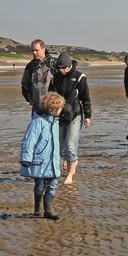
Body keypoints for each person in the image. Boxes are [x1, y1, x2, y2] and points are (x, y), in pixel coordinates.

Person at [20, 91, 64, 220]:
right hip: (39, 159)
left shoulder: (55, 122)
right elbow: (29, 140)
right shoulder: (37, 121)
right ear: (52, 109)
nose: (62, 110)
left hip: (53, 160)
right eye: (59, 108)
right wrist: (26, 158)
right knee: (39, 186)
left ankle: (49, 210)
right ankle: (37, 207)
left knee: (53, 184)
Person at [49, 51, 92, 185]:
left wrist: (88, 116)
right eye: (59, 68)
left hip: (75, 114)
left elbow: (86, 98)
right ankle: (69, 161)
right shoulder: (55, 78)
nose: (61, 70)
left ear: (69, 66)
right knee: (59, 147)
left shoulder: (79, 77)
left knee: (70, 146)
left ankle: (70, 175)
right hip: (60, 115)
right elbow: (51, 96)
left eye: (64, 68)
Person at [21, 39, 55, 116]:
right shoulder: (30, 66)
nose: (34, 53)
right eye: (32, 50)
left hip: (52, 107)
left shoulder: (53, 64)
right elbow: (24, 84)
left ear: (43, 49)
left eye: (37, 50)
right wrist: (30, 99)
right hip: (36, 107)